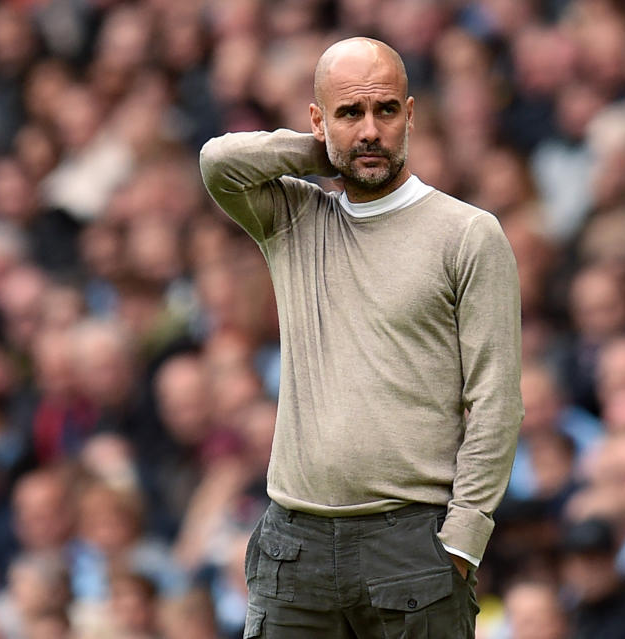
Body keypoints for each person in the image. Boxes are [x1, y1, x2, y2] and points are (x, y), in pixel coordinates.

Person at [199, 37, 523, 637]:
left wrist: (463, 542)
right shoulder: (294, 216)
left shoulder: (469, 234)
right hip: (294, 550)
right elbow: (219, 163)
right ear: (318, 121)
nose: (371, 130)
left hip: (414, 546)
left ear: (411, 114)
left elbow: (496, 401)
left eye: (386, 111)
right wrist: (323, 154)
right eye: (350, 113)